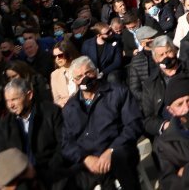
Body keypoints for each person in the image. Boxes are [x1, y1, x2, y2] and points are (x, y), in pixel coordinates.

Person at [61, 56, 144, 190]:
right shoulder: (70, 108)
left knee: (121, 158)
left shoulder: (118, 92)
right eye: (79, 76)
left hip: (117, 151)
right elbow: (66, 143)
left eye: (88, 73)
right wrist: (85, 158)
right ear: (74, 81)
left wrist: (111, 150)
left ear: (96, 72)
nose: (85, 78)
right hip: (87, 161)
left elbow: (134, 124)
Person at [140, 35, 189, 139]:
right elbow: (148, 118)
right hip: (175, 133)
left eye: (168, 52)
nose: (166, 57)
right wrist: (165, 126)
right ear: (155, 59)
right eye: (161, 55)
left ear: (175, 50)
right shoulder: (150, 84)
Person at [0, 77, 68, 188]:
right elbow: (4, 155)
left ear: (29, 95)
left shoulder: (51, 112)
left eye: (14, 99)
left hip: (51, 172)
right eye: (7, 101)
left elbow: (64, 144)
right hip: (22, 177)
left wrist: (52, 168)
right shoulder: (6, 123)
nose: (11, 105)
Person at [49, 39, 80, 108]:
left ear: (68, 53)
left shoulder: (82, 68)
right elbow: (56, 100)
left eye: (60, 55)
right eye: (55, 56)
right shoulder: (54, 75)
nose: (57, 59)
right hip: (66, 110)